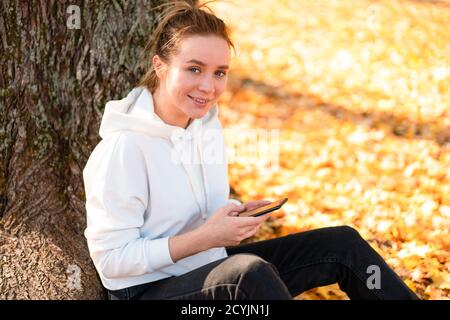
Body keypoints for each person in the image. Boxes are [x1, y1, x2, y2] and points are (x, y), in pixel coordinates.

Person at [83, 0, 419, 300]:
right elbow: (112, 260)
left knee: (341, 245)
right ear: (159, 66)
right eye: (194, 69)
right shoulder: (124, 149)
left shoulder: (203, 126)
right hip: (147, 290)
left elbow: (191, 211)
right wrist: (206, 237)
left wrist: (233, 215)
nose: (208, 86)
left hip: (207, 266)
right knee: (247, 276)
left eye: (220, 73)